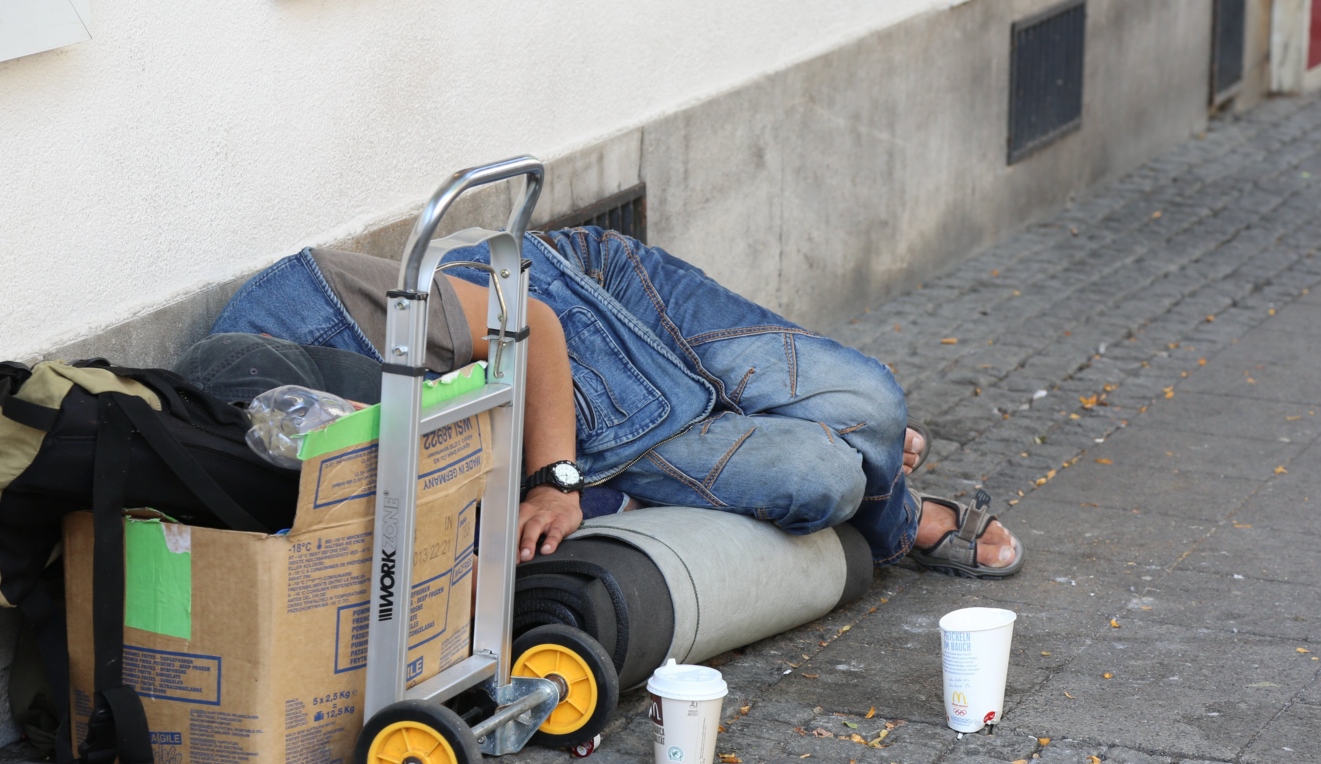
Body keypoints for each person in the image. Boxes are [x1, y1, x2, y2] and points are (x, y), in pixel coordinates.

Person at [191, 227, 1021, 578]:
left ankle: (891, 503)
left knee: (871, 397)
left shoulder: (311, 301)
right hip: (598, 427)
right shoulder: (277, 444)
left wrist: (554, 479)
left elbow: (535, 326)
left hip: (578, 292)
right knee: (823, 476)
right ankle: (884, 493)